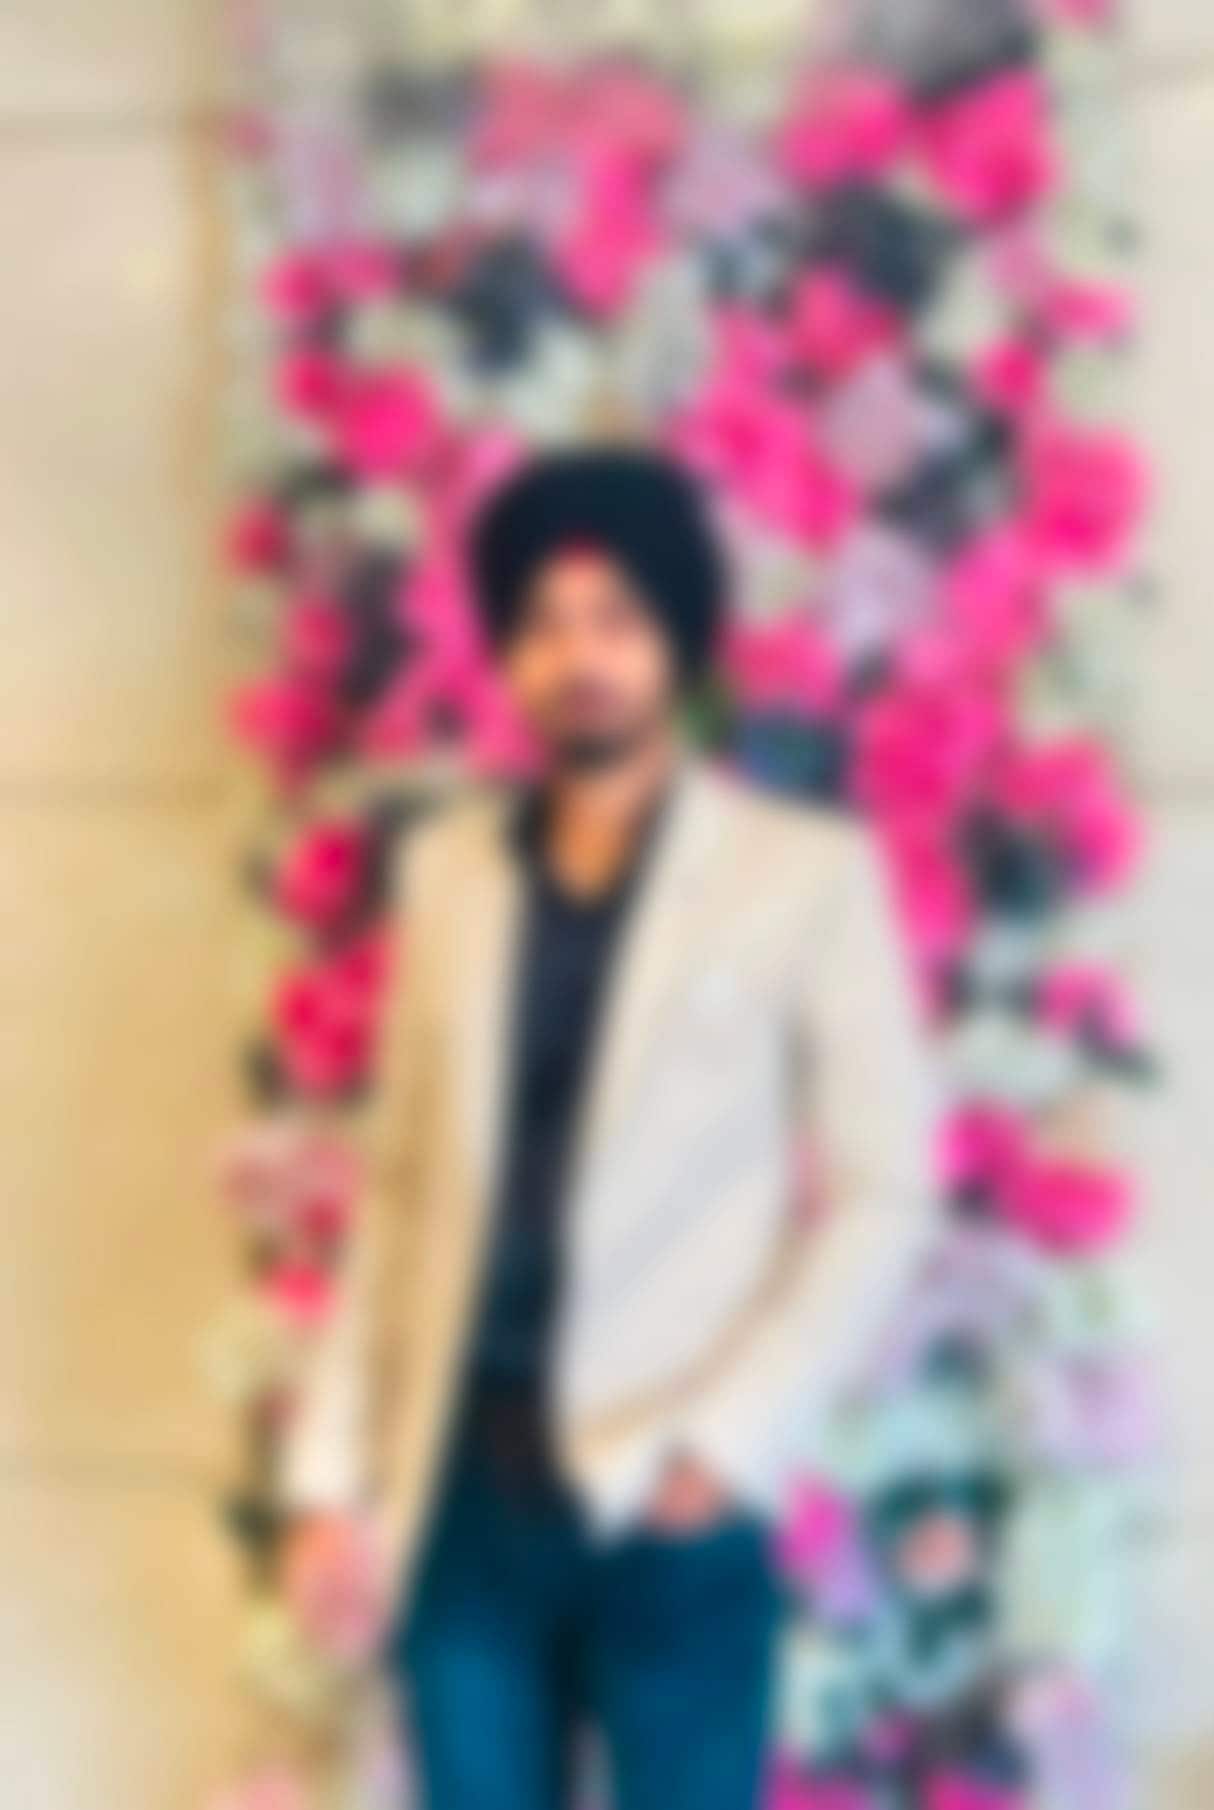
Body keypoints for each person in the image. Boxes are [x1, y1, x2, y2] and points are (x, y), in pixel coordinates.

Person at [281, 447, 928, 1810]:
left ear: (676, 639)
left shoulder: (799, 876)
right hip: (465, 1492)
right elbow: (401, 1191)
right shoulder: (450, 872)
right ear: (508, 655)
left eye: (616, 619)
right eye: (544, 623)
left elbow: (886, 1190)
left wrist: (728, 1443)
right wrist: (333, 1475)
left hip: (670, 1494)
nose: (580, 657)